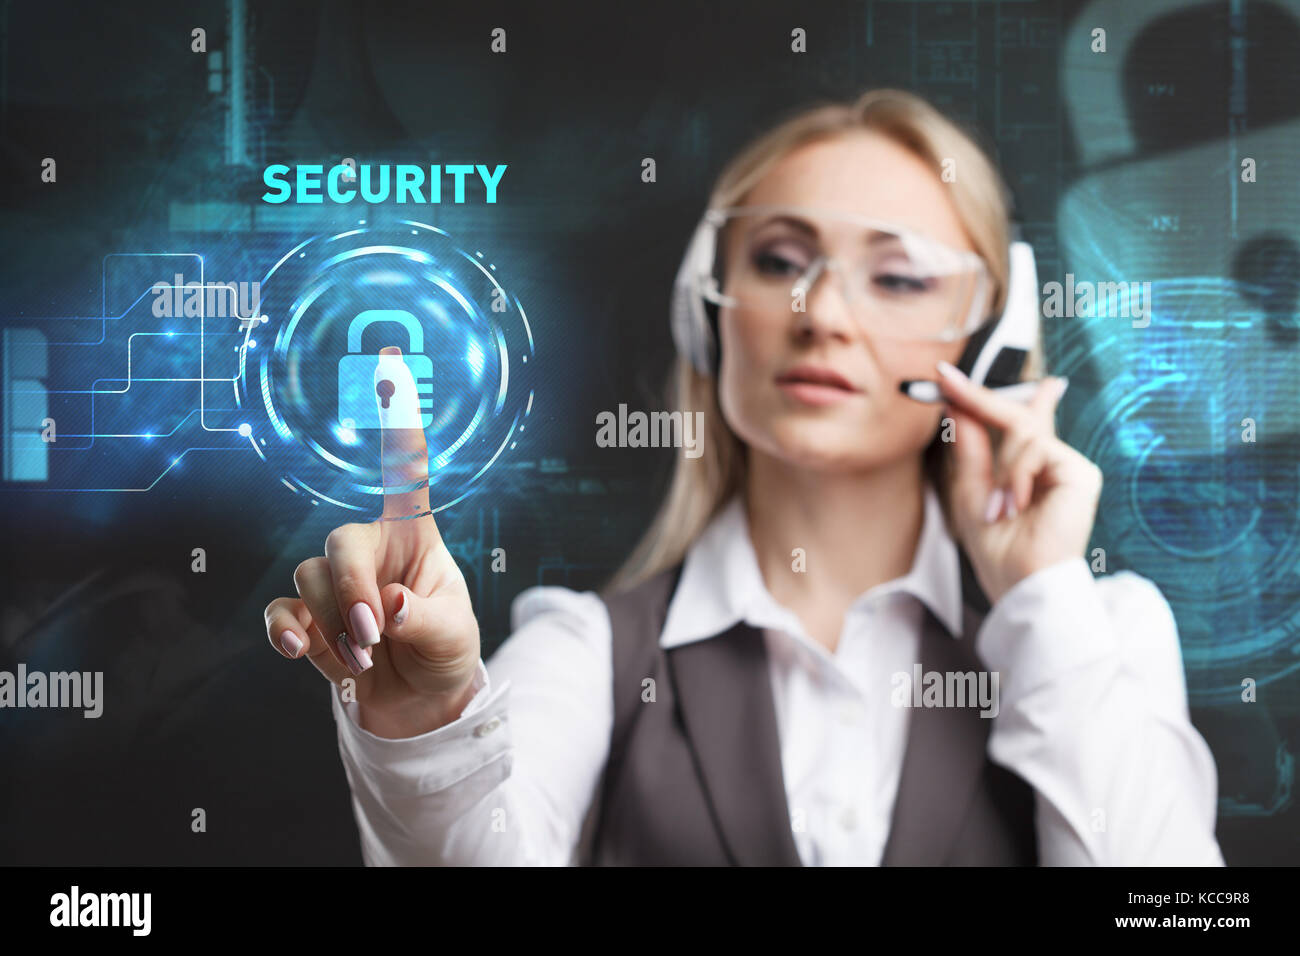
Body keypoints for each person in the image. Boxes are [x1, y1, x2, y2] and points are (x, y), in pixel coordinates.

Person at [263, 88, 1225, 866]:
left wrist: (1043, 600)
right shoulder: (586, 654)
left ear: (990, 341)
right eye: (779, 260)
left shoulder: (1102, 638)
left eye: (898, 276)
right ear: (706, 312)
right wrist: (425, 723)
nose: (822, 315)